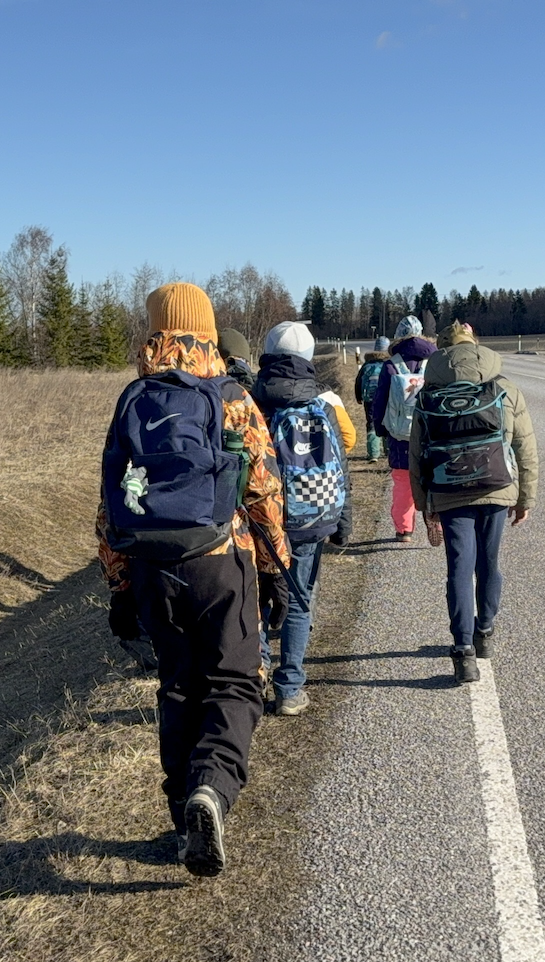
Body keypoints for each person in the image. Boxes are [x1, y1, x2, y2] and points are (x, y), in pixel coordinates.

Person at [97, 281, 290, 878]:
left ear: (153, 330)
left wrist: (120, 585)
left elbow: (110, 505)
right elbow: (262, 489)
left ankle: (182, 812)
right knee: (233, 684)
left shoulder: (134, 398)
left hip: (154, 567)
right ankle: (211, 790)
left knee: (178, 685)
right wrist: (274, 566)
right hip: (219, 558)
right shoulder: (230, 395)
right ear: (207, 330)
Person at [409, 321, 538, 682]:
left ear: (442, 351)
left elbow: (417, 453)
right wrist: (525, 496)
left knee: (459, 568)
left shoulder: (428, 393)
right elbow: (525, 447)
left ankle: (463, 650)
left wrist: (423, 501)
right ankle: (485, 632)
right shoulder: (505, 388)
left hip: (450, 493)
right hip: (496, 489)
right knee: (489, 562)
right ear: (476, 347)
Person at [251, 320, 356, 716]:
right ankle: (290, 688)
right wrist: (343, 523)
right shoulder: (325, 406)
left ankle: (256, 678)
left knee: (256, 599)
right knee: (298, 600)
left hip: (263, 520)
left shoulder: (253, 403)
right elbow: (342, 468)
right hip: (312, 518)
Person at [367, 315, 436, 542]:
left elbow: (380, 401)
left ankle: (404, 529)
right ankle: (434, 515)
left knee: (402, 482)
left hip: (399, 434)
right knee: (433, 477)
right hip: (429, 433)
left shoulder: (391, 365)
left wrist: (379, 428)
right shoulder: (435, 362)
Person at [355, 348, 389, 461]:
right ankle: (388, 450)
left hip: (369, 399)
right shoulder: (386, 365)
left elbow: (358, 382)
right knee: (386, 421)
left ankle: (373, 454)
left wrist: (358, 397)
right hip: (384, 398)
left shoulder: (366, 366)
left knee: (371, 422)